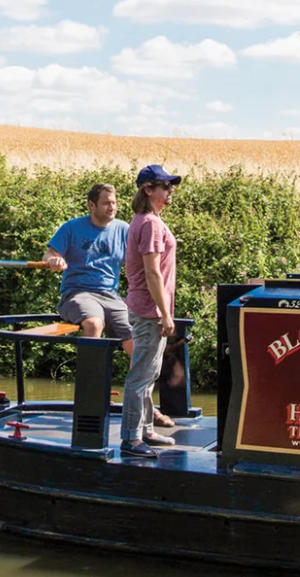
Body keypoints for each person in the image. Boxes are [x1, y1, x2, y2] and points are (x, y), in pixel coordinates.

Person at [119, 165, 181, 458]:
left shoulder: (147, 220)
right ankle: (131, 441)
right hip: (150, 310)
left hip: (147, 308)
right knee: (141, 376)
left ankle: (144, 430)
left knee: (148, 373)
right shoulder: (151, 224)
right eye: (165, 186)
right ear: (148, 190)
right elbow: (153, 273)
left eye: (171, 186)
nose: (170, 191)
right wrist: (165, 313)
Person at [44, 183, 134, 356]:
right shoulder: (71, 227)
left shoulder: (124, 230)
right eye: (106, 203)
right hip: (77, 294)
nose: (112, 207)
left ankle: (138, 383)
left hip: (111, 296)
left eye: (114, 203)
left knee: (135, 337)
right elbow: (49, 254)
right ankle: (90, 383)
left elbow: (139, 263)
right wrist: (54, 260)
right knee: (94, 323)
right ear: (91, 205)